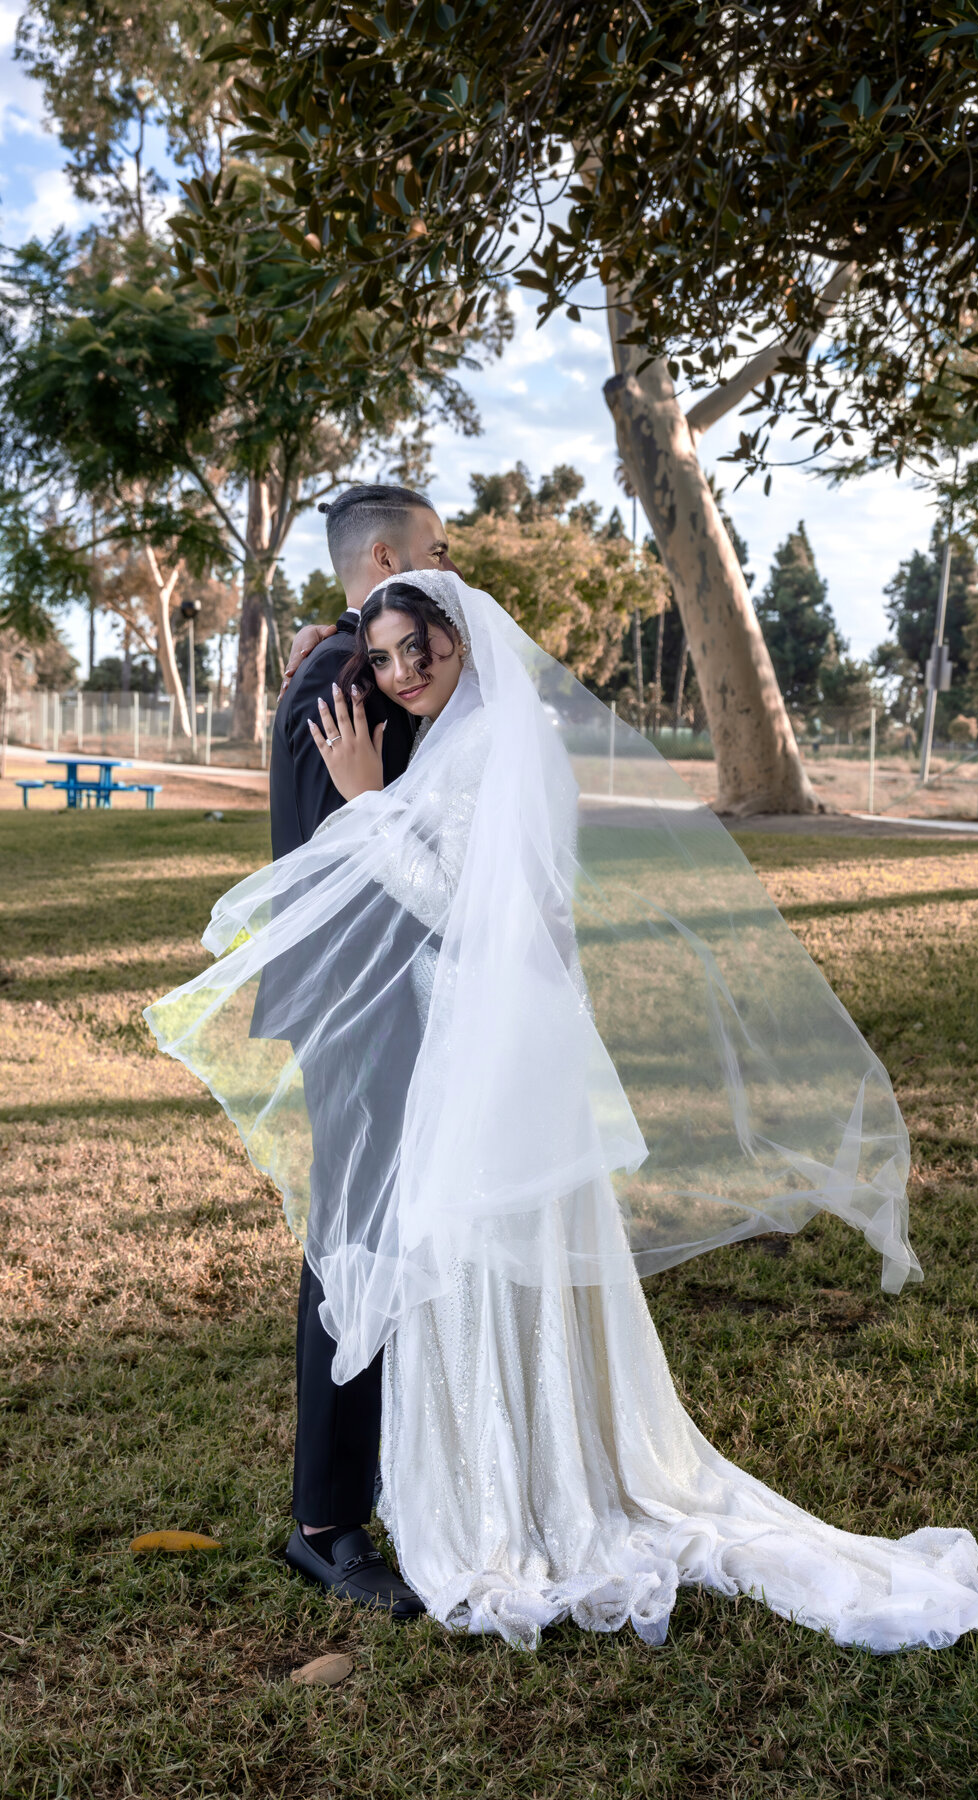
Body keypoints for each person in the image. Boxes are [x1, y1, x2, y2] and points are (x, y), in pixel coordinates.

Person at [147, 569, 978, 1653]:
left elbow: (468, 902)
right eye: (385, 656)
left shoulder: (506, 742)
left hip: (493, 1032)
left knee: (493, 1240)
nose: (406, 675)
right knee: (478, 1249)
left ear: (467, 638)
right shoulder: (461, 734)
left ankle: (527, 1483)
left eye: (425, 649)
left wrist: (365, 799)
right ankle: (500, 1458)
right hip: (474, 1027)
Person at [256, 484, 457, 1620]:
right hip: (367, 1004)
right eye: (434, 551)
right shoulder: (354, 680)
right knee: (353, 1248)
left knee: (376, 1237)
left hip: (357, 999)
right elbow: (370, 852)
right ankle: (327, 1523)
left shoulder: (327, 660)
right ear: (383, 557)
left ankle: (373, 1486)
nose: (448, 567)